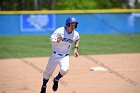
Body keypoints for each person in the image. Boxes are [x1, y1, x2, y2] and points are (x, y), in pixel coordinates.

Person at [40, 17, 80, 93]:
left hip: (65, 55)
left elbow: (77, 39)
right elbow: (51, 39)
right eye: (71, 24)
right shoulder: (60, 30)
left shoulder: (75, 34)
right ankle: (44, 86)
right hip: (55, 55)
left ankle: (56, 79)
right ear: (67, 24)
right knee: (47, 73)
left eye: (74, 25)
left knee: (64, 70)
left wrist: (76, 48)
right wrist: (56, 40)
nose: (73, 26)